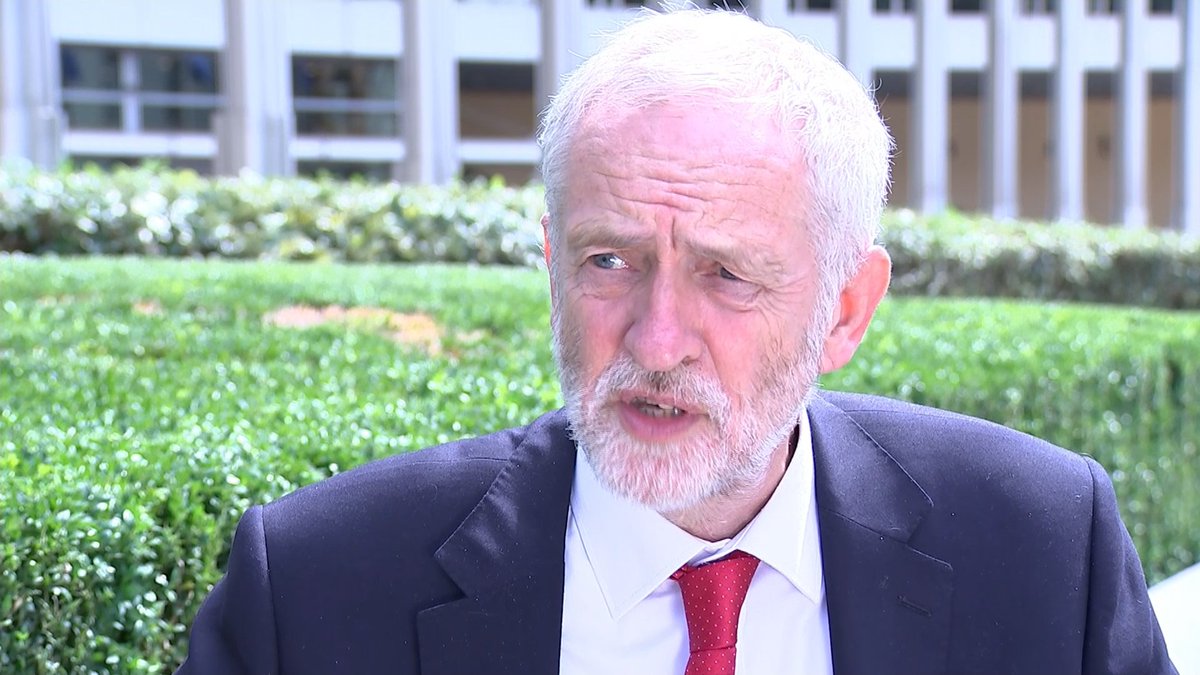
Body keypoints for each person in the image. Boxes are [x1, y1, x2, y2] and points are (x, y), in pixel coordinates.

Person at [176, 8, 1176, 675]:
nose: (656, 343)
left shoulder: (1043, 549)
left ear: (845, 309)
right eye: (608, 260)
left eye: (726, 274)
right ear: (552, 264)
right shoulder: (316, 585)